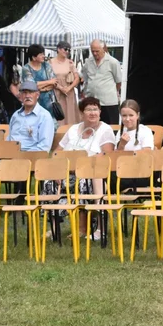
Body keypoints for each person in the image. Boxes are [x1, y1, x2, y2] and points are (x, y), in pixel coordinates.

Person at [56, 96, 117, 238]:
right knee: (50, 181)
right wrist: (57, 170)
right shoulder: (73, 130)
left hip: (92, 172)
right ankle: (54, 228)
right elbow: (57, 152)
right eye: (88, 109)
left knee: (81, 182)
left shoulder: (105, 130)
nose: (92, 113)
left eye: (95, 109)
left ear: (100, 112)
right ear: (82, 113)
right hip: (67, 171)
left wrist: (81, 165)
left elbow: (106, 155)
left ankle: (82, 228)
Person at [80, 40, 122, 125]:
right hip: (92, 102)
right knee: (92, 127)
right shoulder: (88, 62)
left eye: (97, 51)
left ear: (103, 49)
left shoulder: (113, 62)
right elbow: (85, 79)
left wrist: (113, 92)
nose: (95, 53)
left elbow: (118, 81)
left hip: (108, 103)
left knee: (111, 127)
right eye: (93, 51)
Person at [8, 80, 55, 152]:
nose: (27, 96)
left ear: (37, 95)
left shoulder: (44, 116)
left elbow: (44, 148)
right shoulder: (16, 115)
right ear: (20, 96)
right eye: (24, 93)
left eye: (31, 92)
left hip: (30, 157)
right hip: (10, 154)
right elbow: (9, 139)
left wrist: (21, 156)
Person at [49, 41, 81, 124]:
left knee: (70, 115)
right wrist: (61, 88)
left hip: (69, 91)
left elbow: (77, 78)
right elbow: (50, 78)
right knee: (58, 113)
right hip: (56, 91)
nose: (67, 51)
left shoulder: (70, 63)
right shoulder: (50, 62)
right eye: (65, 49)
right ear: (58, 49)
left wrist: (69, 88)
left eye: (69, 50)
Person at [20, 44, 57, 113]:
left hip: (49, 102)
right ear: (34, 57)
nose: (44, 56)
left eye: (43, 54)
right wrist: (49, 82)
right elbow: (31, 86)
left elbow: (54, 82)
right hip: (33, 102)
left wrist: (40, 88)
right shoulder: (26, 69)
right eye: (41, 54)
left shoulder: (46, 65)